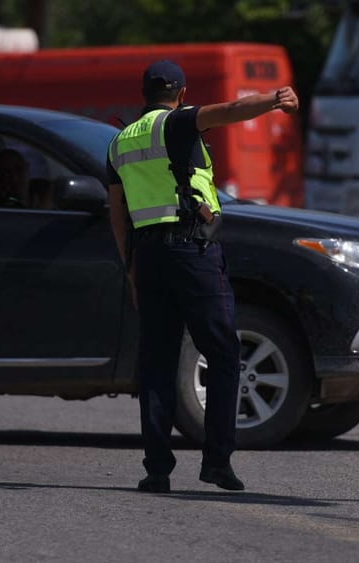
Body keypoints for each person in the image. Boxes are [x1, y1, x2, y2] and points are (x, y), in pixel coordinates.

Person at [107, 60, 298, 493]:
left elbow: (116, 214)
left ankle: (157, 469)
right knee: (224, 353)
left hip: (149, 256)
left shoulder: (119, 142)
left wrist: (131, 268)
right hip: (191, 251)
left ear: (144, 92)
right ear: (181, 92)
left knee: (156, 362)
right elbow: (229, 110)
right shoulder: (177, 124)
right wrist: (275, 99)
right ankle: (216, 461)